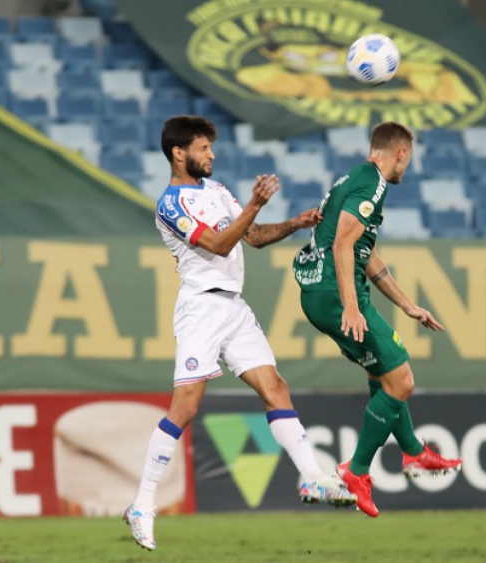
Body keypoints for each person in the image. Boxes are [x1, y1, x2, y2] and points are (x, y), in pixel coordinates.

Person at [124, 116, 356, 551]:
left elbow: (250, 236)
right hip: (201, 308)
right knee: (186, 409)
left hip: (233, 307)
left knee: (275, 387)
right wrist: (254, 203)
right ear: (179, 153)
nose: (211, 154)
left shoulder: (216, 191)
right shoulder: (171, 204)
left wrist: (294, 223)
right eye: (203, 148)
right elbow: (216, 244)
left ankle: (313, 479)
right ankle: (142, 504)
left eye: (211, 147)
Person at [292, 121, 462, 518]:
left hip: (323, 293)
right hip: (336, 295)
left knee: (382, 376)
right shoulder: (374, 185)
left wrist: (406, 305)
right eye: (410, 159)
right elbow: (343, 243)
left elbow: (364, 253)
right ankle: (357, 470)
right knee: (402, 379)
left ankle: (414, 453)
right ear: (401, 153)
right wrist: (351, 306)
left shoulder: (354, 177)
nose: (408, 167)